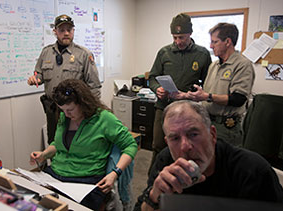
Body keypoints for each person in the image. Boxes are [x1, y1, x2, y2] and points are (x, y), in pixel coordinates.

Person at [137, 100, 283, 211]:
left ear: (212, 135)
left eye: (193, 134)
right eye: (175, 138)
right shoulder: (166, 161)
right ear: (167, 142)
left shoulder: (252, 170)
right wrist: (153, 197)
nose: (185, 146)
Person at [29, 79, 137, 210]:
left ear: (83, 103)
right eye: (62, 110)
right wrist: (44, 154)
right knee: (31, 201)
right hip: (55, 175)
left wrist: (115, 173)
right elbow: (58, 145)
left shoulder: (103, 118)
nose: (66, 114)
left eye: (70, 109)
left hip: (86, 180)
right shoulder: (64, 117)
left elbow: (130, 145)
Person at [171, 23, 255, 147]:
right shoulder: (214, 65)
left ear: (227, 42)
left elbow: (238, 99)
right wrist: (186, 95)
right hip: (207, 123)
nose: (211, 46)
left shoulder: (242, 65)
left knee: (224, 165)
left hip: (226, 129)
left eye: (214, 42)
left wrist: (207, 96)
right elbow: (206, 93)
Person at [27, 14, 102, 144]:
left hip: (74, 110)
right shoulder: (46, 52)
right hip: (52, 109)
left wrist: (89, 112)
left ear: (73, 31)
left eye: (69, 29)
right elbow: (39, 74)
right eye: (62, 30)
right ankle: (54, 164)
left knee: (73, 143)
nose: (66, 33)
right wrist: (35, 79)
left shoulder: (83, 54)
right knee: (53, 142)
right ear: (55, 32)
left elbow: (94, 86)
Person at [149, 13, 212, 157]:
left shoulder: (202, 54)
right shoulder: (164, 53)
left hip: (189, 108)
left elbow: (208, 84)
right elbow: (152, 78)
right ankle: (156, 177)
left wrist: (197, 94)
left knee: (186, 146)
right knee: (159, 144)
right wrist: (156, 89)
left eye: (181, 37)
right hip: (164, 106)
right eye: (174, 37)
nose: (178, 41)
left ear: (190, 33)